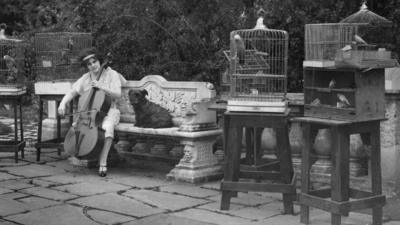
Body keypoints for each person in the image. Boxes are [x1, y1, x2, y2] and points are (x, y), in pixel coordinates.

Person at [57, 48, 124, 177]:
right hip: (89, 115)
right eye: (89, 64)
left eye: (94, 62)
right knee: (79, 127)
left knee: (107, 127)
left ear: (99, 61)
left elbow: (118, 94)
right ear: (86, 66)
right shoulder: (85, 78)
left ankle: (103, 161)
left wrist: (101, 86)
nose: (93, 65)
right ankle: (86, 154)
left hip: (109, 111)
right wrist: (62, 103)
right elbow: (72, 92)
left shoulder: (111, 74)